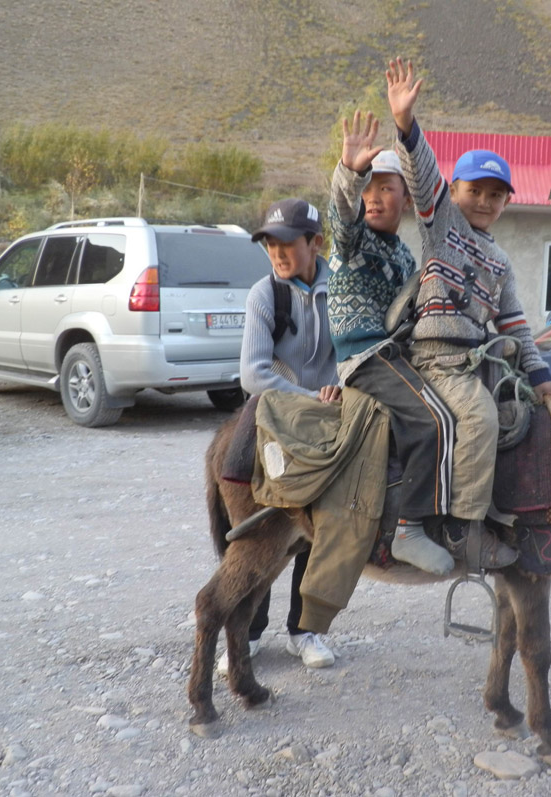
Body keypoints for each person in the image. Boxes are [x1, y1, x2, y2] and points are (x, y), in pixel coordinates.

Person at [387, 57, 551, 568]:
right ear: (455, 192)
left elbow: (516, 324)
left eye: (495, 195)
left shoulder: (501, 261)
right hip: (437, 361)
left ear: (506, 202)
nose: (484, 201)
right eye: (474, 191)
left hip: (477, 363)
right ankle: (464, 529)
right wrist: (405, 125)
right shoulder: (443, 226)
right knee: (481, 417)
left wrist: (540, 374)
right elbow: (423, 177)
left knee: (519, 413)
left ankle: (508, 507)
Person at [327, 109, 457, 576]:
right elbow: (341, 215)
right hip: (365, 356)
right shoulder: (354, 241)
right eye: (369, 188)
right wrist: (350, 171)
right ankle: (410, 529)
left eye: (386, 188)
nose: (374, 197)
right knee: (434, 418)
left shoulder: (403, 254)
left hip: (391, 355)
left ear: (406, 199)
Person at [238, 197, 339, 669]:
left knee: (320, 527)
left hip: (330, 420)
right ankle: (247, 629)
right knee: (259, 520)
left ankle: (305, 630)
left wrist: (341, 388)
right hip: (276, 417)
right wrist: (310, 397)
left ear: (315, 243)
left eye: (287, 243)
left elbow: (355, 353)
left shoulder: (342, 292)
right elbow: (253, 375)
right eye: (269, 244)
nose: (277, 253)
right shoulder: (265, 294)